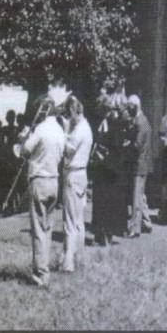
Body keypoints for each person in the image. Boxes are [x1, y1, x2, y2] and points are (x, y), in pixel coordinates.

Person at [20, 95, 66, 287]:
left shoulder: (40, 129)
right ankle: (43, 267)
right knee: (47, 227)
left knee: (38, 228)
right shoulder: (59, 130)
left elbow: (24, 151)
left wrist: (23, 138)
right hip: (54, 180)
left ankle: (41, 272)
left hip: (39, 179)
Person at [58, 95, 93, 273]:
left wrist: (62, 133)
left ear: (73, 111)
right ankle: (78, 256)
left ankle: (68, 260)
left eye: (68, 113)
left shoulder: (79, 130)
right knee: (78, 219)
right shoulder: (85, 127)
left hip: (73, 174)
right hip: (81, 174)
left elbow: (68, 149)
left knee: (70, 219)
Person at [91, 98, 129, 246]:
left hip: (111, 172)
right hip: (102, 171)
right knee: (100, 203)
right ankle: (100, 234)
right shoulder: (100, 125)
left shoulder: (117, 126)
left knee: (109, 204)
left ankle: (107, 234)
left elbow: (117, 148)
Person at [124, 94, 153, 238]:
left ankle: (135, 229)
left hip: (139, 164)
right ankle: (146, 222)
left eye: (129, 107)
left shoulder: (141, 123)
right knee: (140, 196)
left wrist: (125, 145)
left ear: (135, 106)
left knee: (136, 197)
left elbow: (137, 145)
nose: (127, 110)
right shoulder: (139, 120)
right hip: (139, 164)